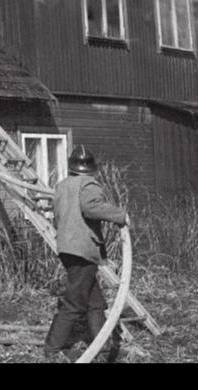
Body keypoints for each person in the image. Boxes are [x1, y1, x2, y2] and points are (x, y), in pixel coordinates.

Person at [44, 145, 130, 362]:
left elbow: (57, 216)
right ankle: (52, 350)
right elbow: (91, 207)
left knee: (95, 303)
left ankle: (101, 349)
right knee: (74, 303)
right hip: (82, 250)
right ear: (92, 168)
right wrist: (121, 215)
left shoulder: (62, 186)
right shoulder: (89, 185)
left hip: (67, 249)